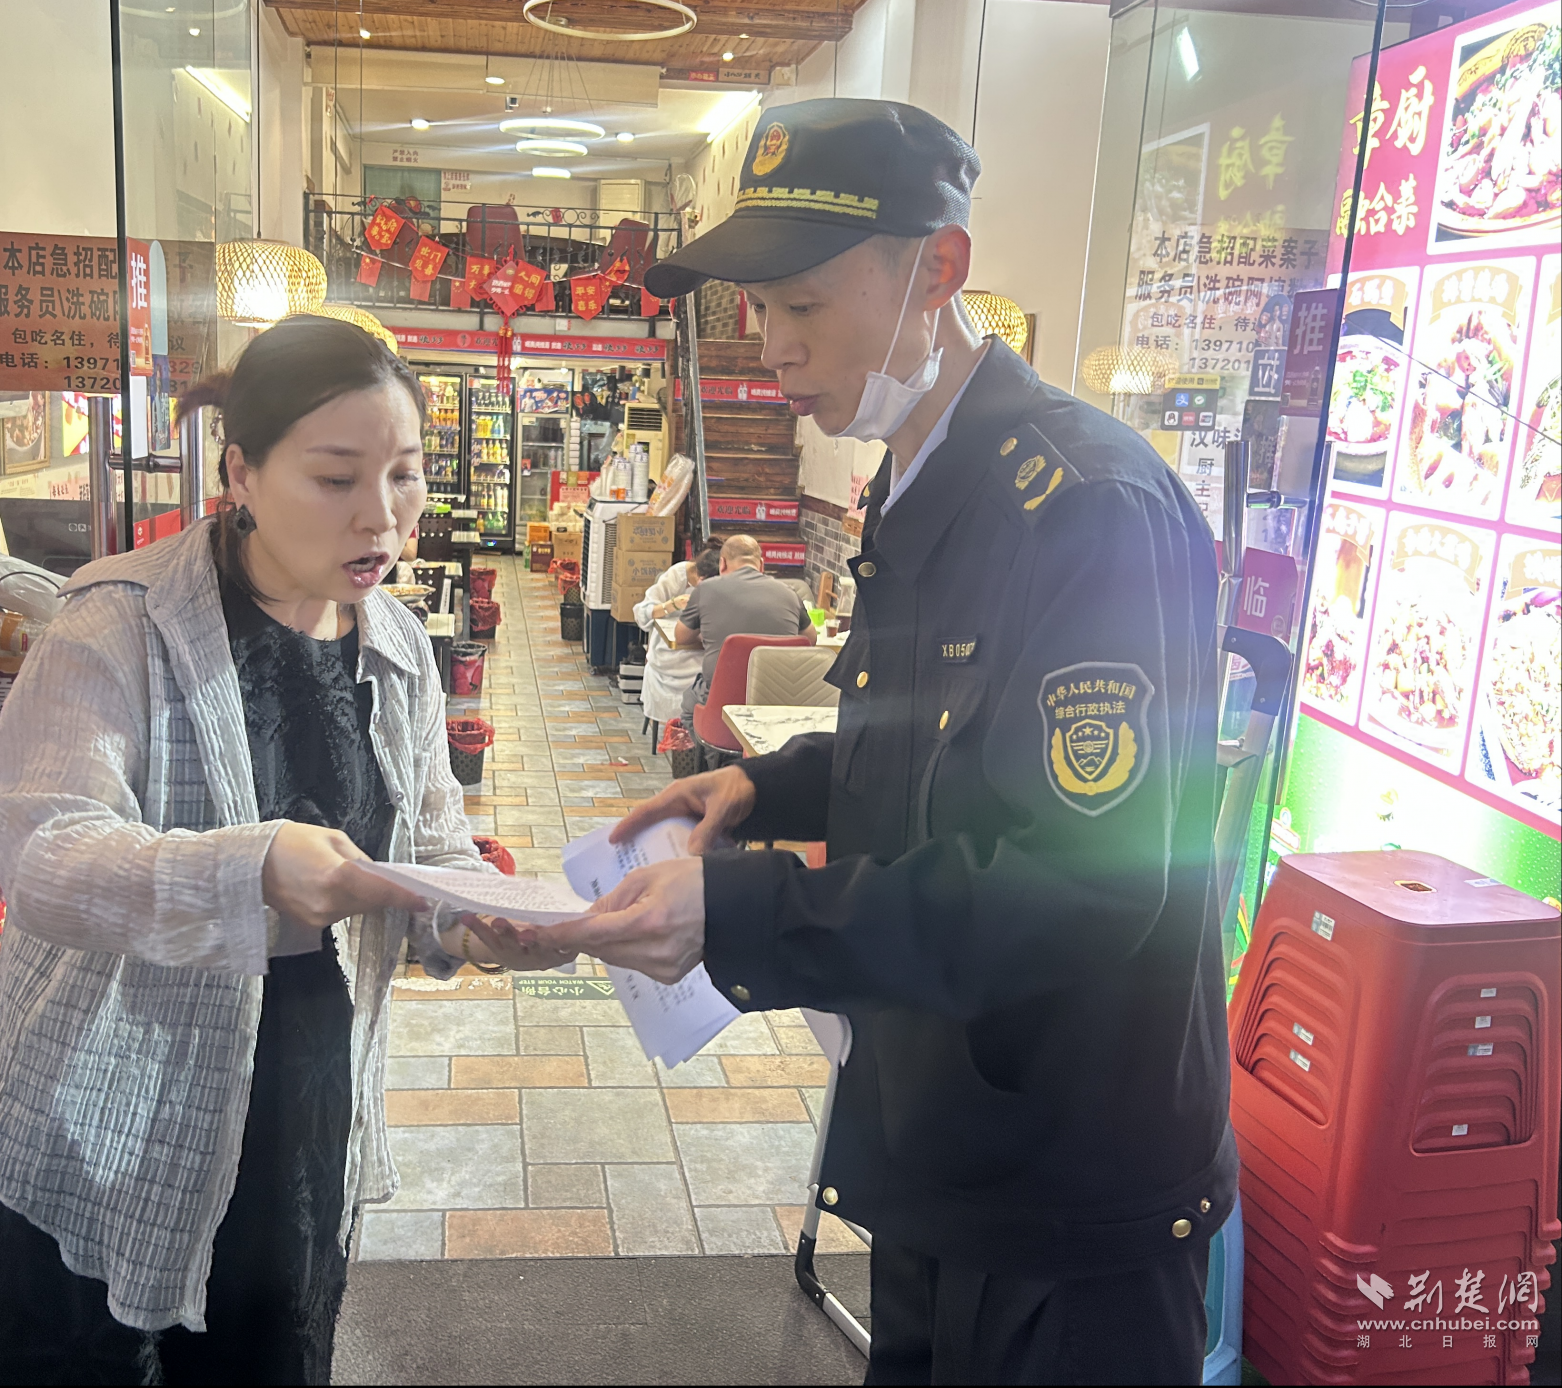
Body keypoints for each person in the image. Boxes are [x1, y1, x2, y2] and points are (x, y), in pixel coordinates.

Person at [517, 98, 1229, 1385]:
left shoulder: (1085, 507)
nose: (774, 348)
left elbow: (1086, 884)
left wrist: (746, 910)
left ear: (936, 268)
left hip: (1067, 1182)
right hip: (939, 1135)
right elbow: (932, 747)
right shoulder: (916, 472)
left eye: (803, 303)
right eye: (758, 309)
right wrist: (768, 783)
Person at [0, 317, 565, 1387]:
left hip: (298, 1101)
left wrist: (478, 922)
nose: (381, 514)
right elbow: (45, 854)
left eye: (404, 474)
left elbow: (432, 853)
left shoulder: (398, 646)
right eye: (335, 477)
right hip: (108, 1103)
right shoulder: (117, 625)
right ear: (241, 474)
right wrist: (252, 867)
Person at [675, 533, 815, 730]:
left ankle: (708, 749)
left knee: (689, 703)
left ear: (722, 563)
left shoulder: (705, 589)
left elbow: (681, 636)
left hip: (720, 702)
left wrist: (708, 632)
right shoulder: (789, 593)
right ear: (761, 564)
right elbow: (810, 640)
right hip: (779, 703)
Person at [632, 537, 722, 735]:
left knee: (713, 671)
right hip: (669, 653)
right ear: (697, 573)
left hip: (702, 651)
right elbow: (642, 612)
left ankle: (697, 731)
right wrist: (672, 605)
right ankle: (683, 728)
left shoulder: (722, 584)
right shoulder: (677, 575)